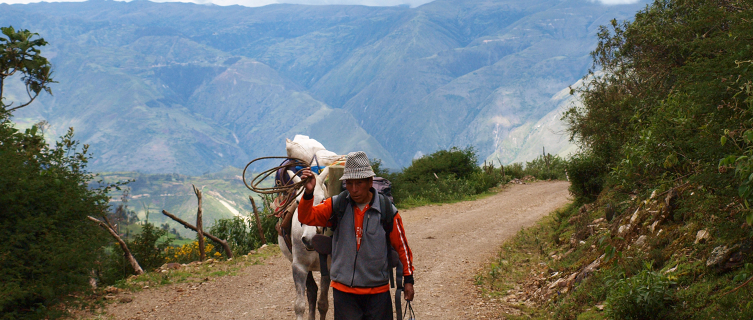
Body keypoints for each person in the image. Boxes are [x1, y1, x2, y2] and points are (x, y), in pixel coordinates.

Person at [298, 151, 415, 320]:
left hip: (377, 293)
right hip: (344, 293)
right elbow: (306, 217)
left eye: (359, 183)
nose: (354, 189)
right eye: (349, 183)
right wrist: (308, 194)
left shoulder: (386, 210)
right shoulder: (337, 205)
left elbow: (402, 247)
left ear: (369, 182)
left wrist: (408, 279)